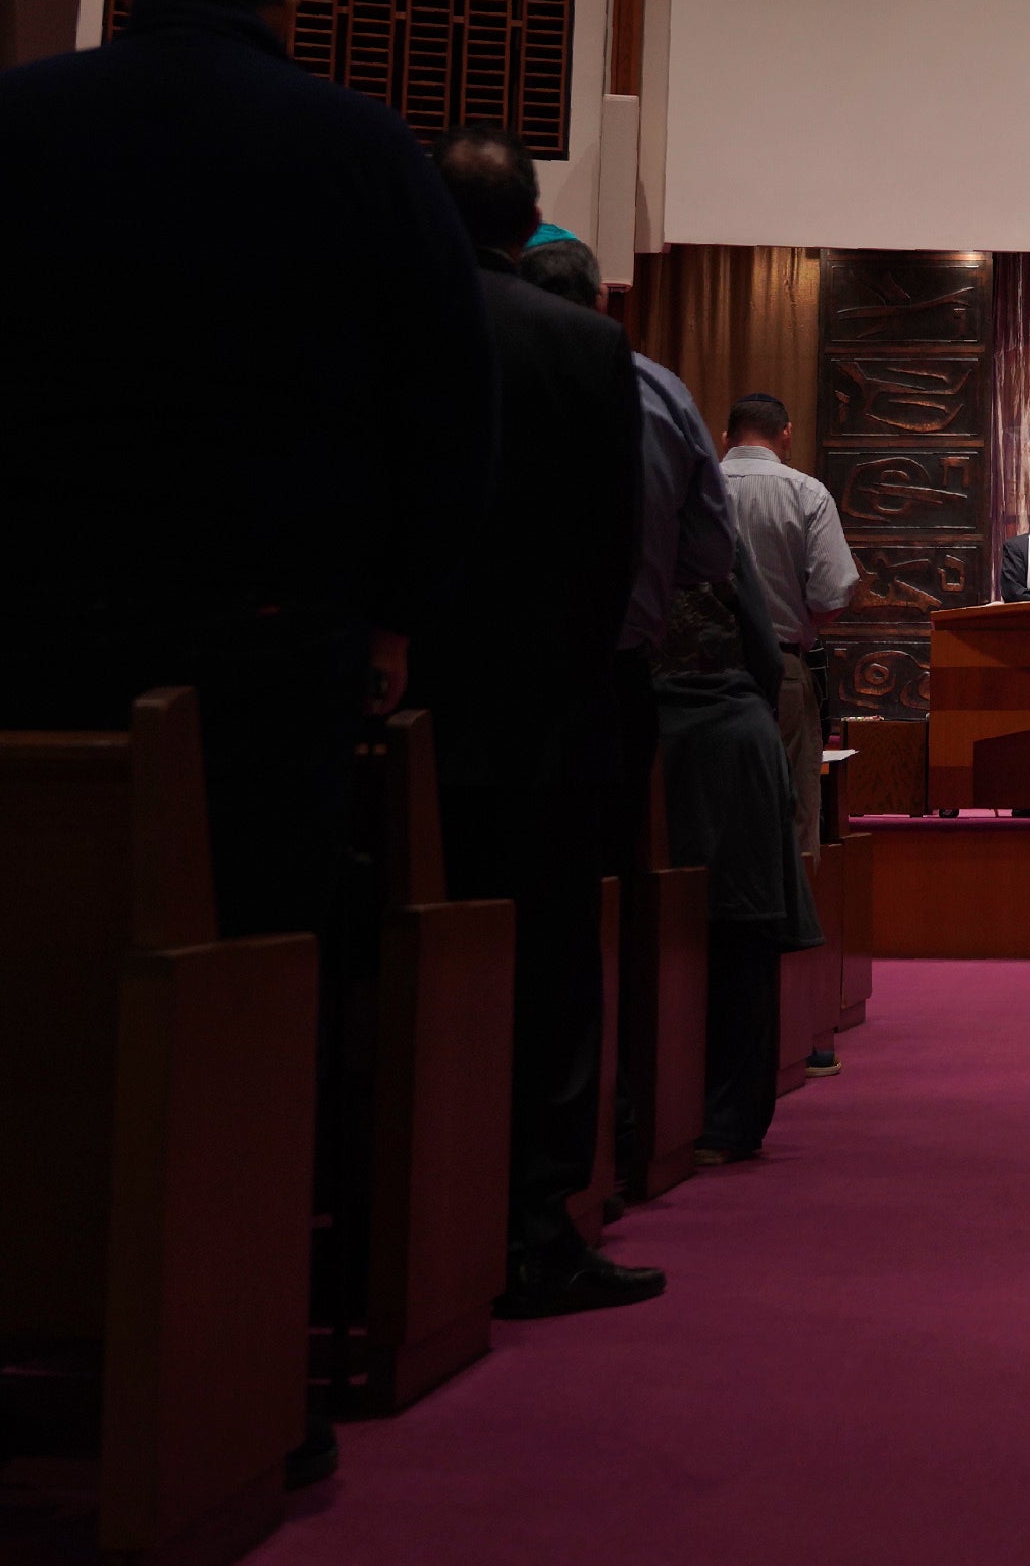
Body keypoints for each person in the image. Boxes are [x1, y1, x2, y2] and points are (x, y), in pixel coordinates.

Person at [0, 0, 489, 1493]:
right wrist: (395, 616)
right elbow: (443, 414)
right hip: (253, 638)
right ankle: (232, 1378)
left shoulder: (4, 121)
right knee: (244, 1003)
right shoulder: (359, 149)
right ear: (282, 4)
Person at [427, 127, 656, 1315]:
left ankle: (399, 1227)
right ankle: (536, 1236)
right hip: (549, 714)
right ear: (530, 223)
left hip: (406, 707)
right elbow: (611, 543)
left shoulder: (376, 322)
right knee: (554, 981)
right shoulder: (581, 343)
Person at [523, 237, 813, 1166]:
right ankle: (725, 1118)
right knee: (736, 916)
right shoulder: (654, 393)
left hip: (579, 690)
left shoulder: (456, 363)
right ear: (604, 306)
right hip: (698, 704)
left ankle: (599, 1136)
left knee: (583, 914)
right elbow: (714, 569)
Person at [719, 390, 857, 891]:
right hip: (781, 669)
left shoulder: (695, 484)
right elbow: (833, 590)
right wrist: (802, 622)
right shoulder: (806, 492)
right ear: (786, 435)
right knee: (792, 806)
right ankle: (789, 936)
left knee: (707, 805)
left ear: (726, 436)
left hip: (691, 673)